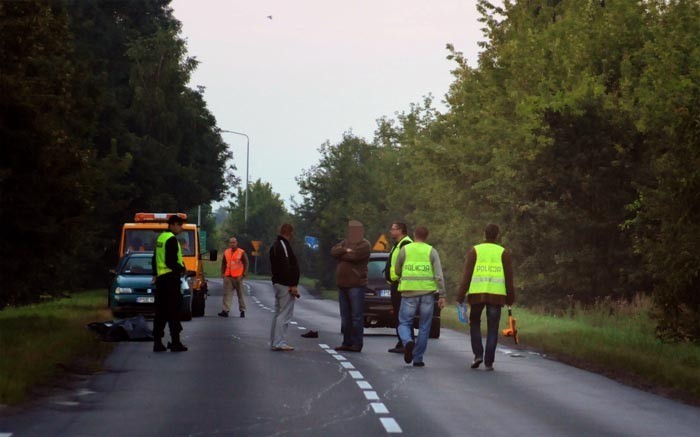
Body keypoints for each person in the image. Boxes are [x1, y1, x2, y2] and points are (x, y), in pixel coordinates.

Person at [456, 223, 515, 371]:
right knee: (492, 328)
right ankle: (489, 362)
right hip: (496, 296)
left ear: (484, 234)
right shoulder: (503, 253)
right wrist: (510, 298)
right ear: (497, 235)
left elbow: (467, 275)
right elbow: (509, 278)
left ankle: (478, 355)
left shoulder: (475, 250)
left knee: (474, 323)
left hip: (477, 295)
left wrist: (460, 295)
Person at [395, 226, 446, 367]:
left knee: (404, 322)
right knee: (424, 327)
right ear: (427, 236)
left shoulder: (405, 250)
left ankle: (407, 342)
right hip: (427, 294)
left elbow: (397, 269)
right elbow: (439, 275)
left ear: (414, 235)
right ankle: (417, 358)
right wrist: (442, 294)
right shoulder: (432, 251)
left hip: (408, 293)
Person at [330, 220, 371, 352]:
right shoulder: (345, 242)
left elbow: (354, 256)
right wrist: (344, 250)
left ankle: (357, 343)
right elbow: (333, 252)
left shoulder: (365, 244)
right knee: (345, 316)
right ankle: (346, 342)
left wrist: (343, 254)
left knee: (356, 316)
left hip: (356, 284)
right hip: (342, 284)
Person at [151, 215, 188, 352]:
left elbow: (155, 258)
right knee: (173, 311)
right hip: (171, 280)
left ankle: (157, 342)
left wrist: (155, 274)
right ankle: (175, 342)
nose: (181, 228)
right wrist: (182, 269)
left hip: (161, 279)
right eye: (179, 225)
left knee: (160, 312)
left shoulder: (160, 238)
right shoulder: (172, 240)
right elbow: (170, 261)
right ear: (172, 224)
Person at [269, 223, 300, 351]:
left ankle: (274, 341)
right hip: (285, 284)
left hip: (278, 282)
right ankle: (279, 342)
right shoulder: (283, 245)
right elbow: (286, 266)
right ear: (290, 233)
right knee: (284, 313)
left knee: (278, 313)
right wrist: (292, 284)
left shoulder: (276, 245)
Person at [385, 222, 413, 353]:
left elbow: (406, 264)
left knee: (403, 315)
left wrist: (399, 277)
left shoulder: (405, 244)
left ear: (400, 230)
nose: (390, 231)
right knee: (399, 314)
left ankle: (405, 342)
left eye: (393, 229)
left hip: (401, 284)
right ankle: (403, 341)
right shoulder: (398, 244)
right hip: (396, 283)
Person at [219, 237, 249, 318]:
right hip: (228, 277)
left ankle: (242, 310)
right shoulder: (226, 252)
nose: (232, 244)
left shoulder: (241, 252)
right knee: (226, 294)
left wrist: (243, 274)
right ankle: (225, 310)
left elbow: (246, 263)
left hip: (238, 277)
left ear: (237, 243)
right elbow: (223, 263)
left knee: (240, 294)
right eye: (231, 243)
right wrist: (222, 273)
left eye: (234, 242)